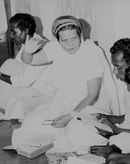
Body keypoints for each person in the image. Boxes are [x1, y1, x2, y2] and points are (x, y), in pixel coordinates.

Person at [12, 15, 105, 149]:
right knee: (30, 124)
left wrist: (70, 116)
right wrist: (27, 52)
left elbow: (92, 95)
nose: (70, 44)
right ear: (58, 40)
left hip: (87, 105)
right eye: (64, 40)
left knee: (79, 137)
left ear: (81, 36)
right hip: (63, 101)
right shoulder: (55, 48)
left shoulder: (91, 52)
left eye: (74, 38)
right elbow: (30, 60)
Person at [0, 13, 52, 120]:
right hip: (28, 89)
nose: (11, 36)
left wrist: (0, 75)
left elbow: (24, 81)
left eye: (14, 32)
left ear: (26, 31)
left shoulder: (39, 48)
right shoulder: (28, 44)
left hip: (41, 95)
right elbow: (16, 69)